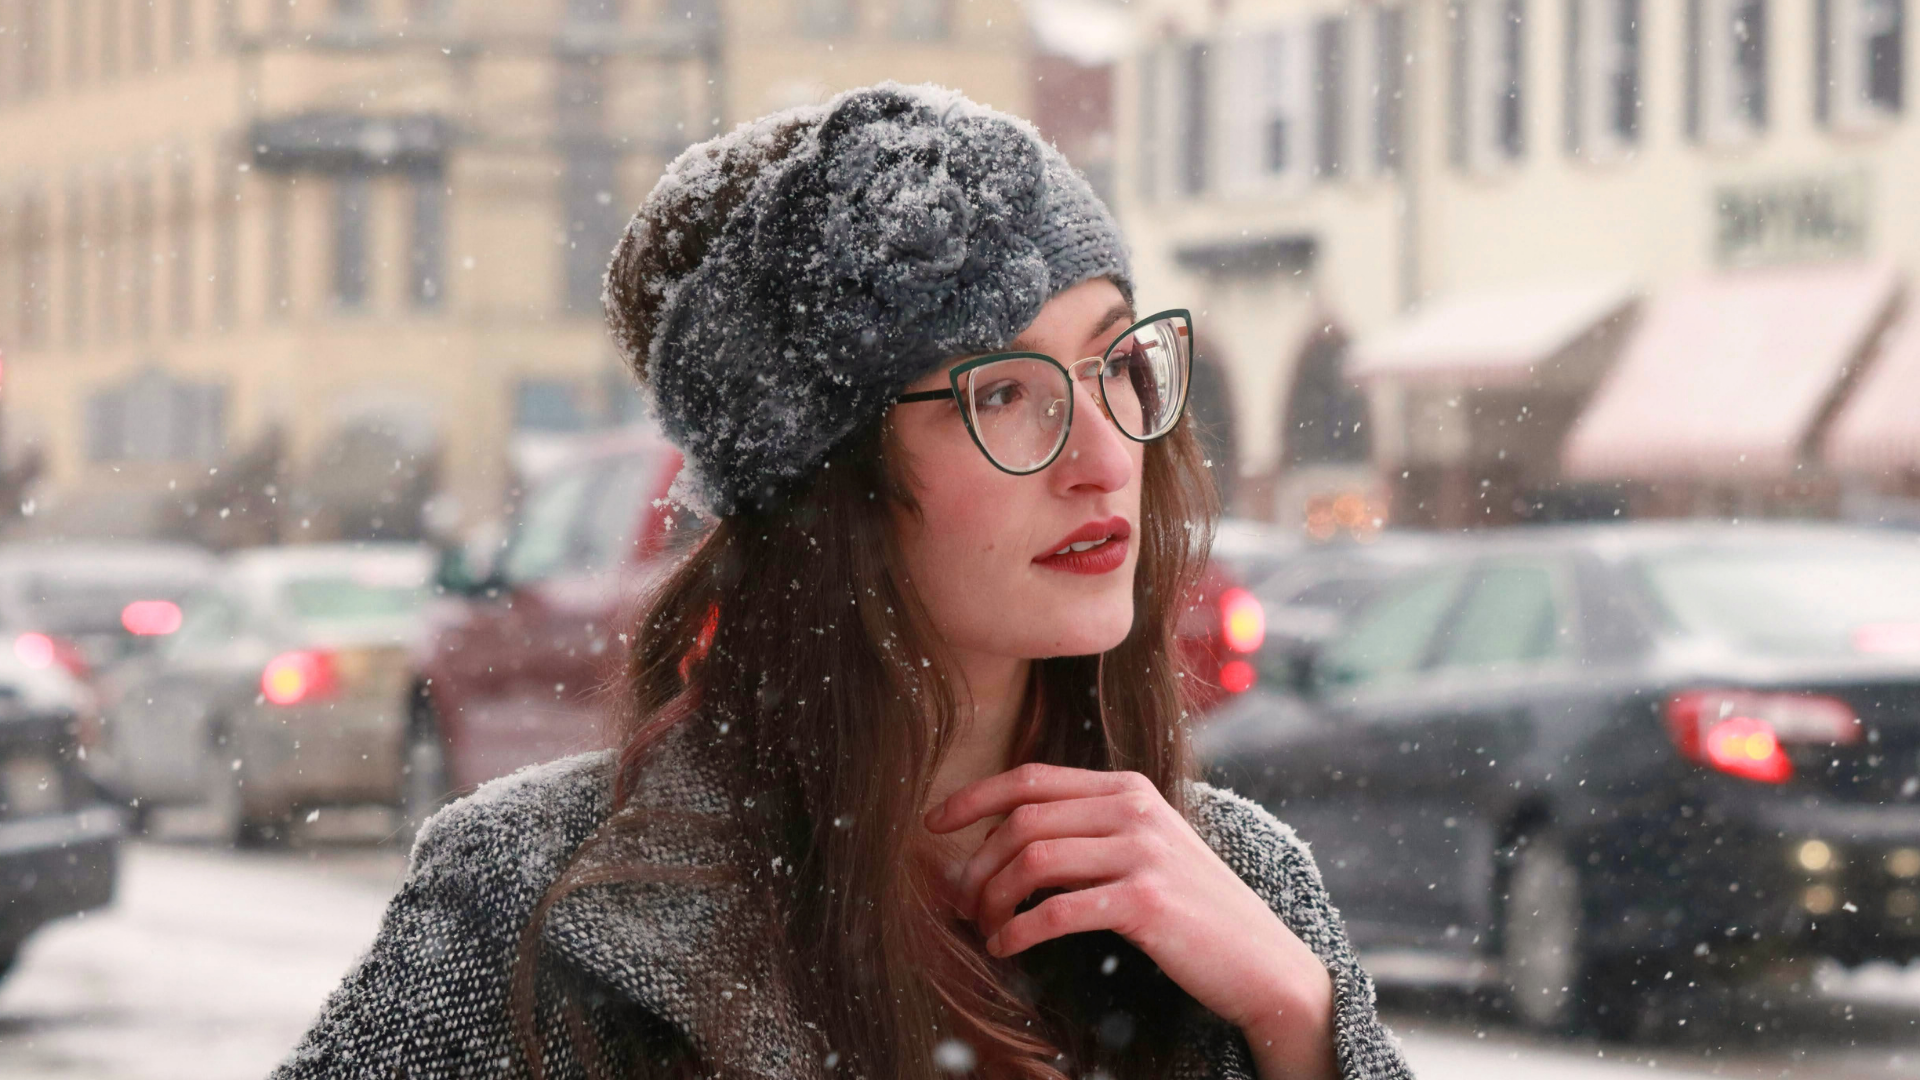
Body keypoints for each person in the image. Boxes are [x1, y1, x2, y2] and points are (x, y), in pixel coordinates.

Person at [270, 82, 1412, 1080]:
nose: (1109, 458)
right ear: (832, 484)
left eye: (1115, 363)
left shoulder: (1242, 885)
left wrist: (1296, 1023)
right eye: (1001, 393)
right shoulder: (532, 904)